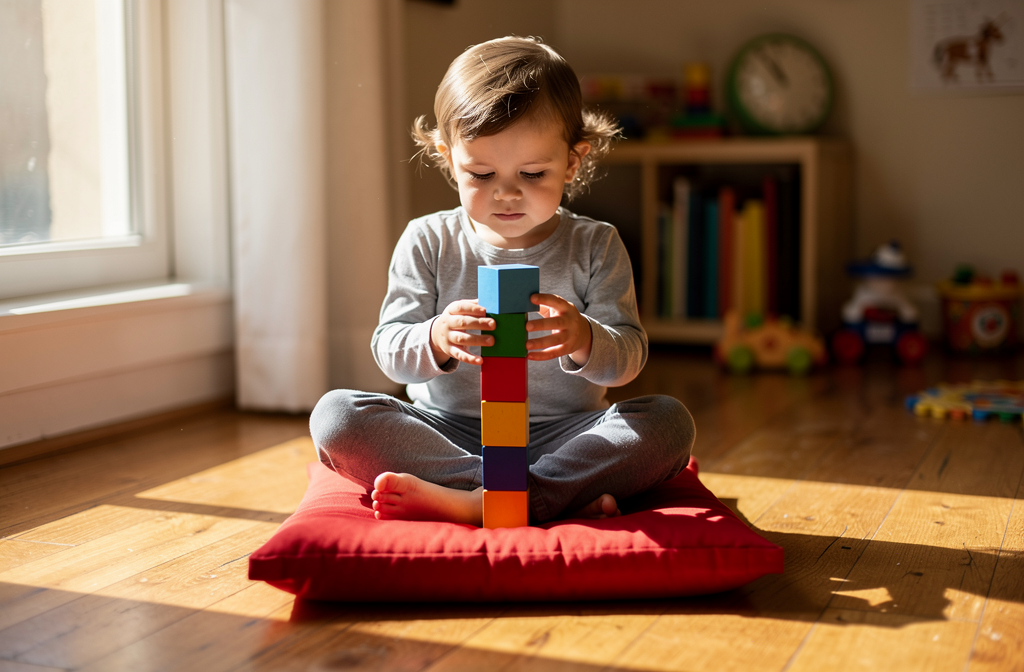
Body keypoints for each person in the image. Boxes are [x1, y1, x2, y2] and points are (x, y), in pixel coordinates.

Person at [310, 36, 694, 526]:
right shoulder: (427, 240)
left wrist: (585, 339)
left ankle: (492, 498)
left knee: (667, 423)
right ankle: (526, 495)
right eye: (482, 173)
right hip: (450, 432)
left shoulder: (597, 244)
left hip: (565, 435)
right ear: (450, 160)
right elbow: (389, 347)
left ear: (572, 161)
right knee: (336, 415)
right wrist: (436, 336)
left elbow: (629, 357)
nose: (507, 194)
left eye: (533, 173)